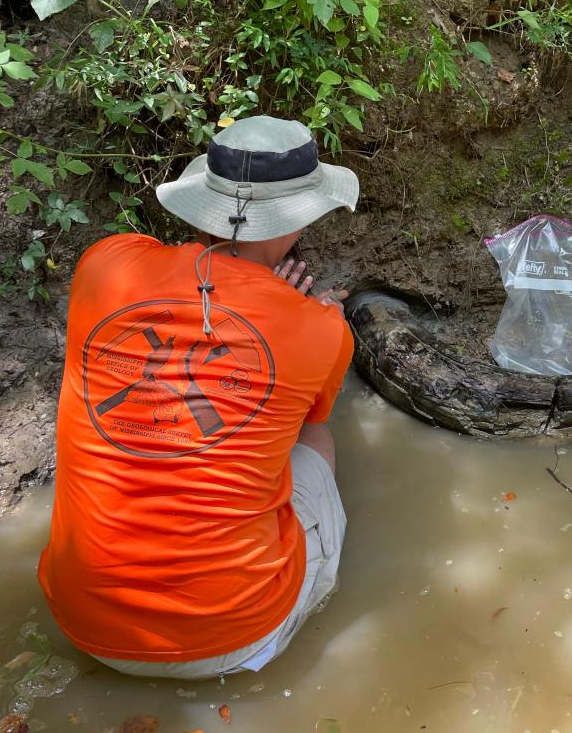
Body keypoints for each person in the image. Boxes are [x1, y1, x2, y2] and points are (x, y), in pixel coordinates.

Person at [38, 116, 359, 677]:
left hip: (82, 625)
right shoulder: (322, 329)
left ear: (201, 199)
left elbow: (195, 293)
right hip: (236, 635)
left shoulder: (104, 264)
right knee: (313, 436)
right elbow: (290, 417)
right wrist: (284, 307)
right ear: (305, 213)